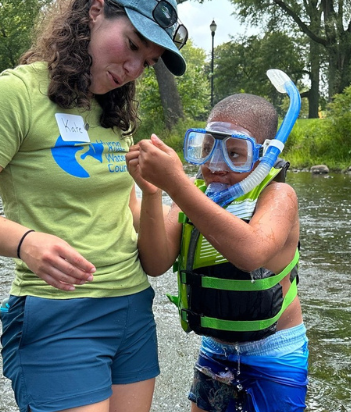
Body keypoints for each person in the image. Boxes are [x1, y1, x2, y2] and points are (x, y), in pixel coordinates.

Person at [0, 0, 188, 412]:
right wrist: (25, 242)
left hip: (132, 309)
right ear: (95, 11)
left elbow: (154, 260)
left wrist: (153, 193)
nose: (131, 69)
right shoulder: (13, 95)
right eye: (130, 46)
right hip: (58, 313)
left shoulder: (112, 116)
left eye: (145, 63)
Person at [126, 93, 309, 412]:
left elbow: (251, 252)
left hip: (274, 354)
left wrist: (176, 184)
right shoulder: (196, 195)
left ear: (263, 157)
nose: (215, 165)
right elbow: (156, 263)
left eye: (235, 154)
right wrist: (153, 192)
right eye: (207, 149)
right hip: (216, 351)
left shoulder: (279, 195)